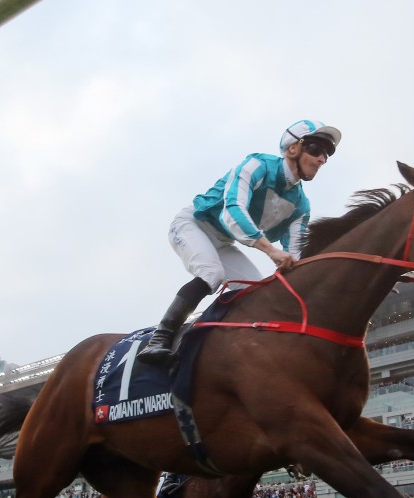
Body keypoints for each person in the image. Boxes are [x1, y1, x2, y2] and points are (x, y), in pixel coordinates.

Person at [137, 119, 341, 365]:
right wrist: (270, 251)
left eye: (327, 155)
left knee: (255, 293)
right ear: (292, 149)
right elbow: (232, 211)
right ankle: (160, 338)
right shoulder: (257, 165)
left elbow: (296, 255)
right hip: (193, 224)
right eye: (316, 150)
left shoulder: (301, 205)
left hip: (223, 242)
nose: (322, 159)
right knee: (212, 273)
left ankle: (222, 346)